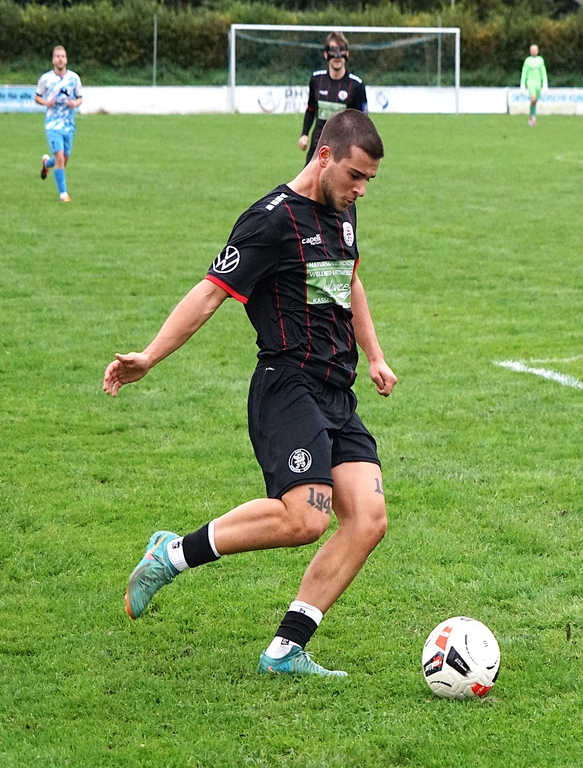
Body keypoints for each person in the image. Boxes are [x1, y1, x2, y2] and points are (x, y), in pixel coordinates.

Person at [103, 109, 396, 678]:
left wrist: (376, 355)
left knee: (368, 519)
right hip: (287, 384)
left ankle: (285, 651)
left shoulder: (344, 211)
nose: (362, 189)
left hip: (337, 390)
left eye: (369, 180)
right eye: (356, 175)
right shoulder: (270, 221)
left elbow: (350, 279)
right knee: (306, 518)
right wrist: (149, 356)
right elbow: (209, 293)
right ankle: (172, 554)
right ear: (325, 156)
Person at [299, 32, 368, 166]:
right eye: (333, 50)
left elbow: (362, 120)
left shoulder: (356, 85)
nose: (337, 56)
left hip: (344, 148)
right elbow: (311, 109)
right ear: (326, 55)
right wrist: (304, 134)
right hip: (318, 145)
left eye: (341, 50)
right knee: (309, 179)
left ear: (347, 54)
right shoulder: (316, 80)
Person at [34, 46, 82, 203]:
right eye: (57, 56)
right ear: (53, 60)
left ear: (66, 59)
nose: (60, 59)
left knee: (64, 160)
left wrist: (74, 104)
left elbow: (80, 98)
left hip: (68, 124)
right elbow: (37, 97)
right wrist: (47, 102)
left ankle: (47, 163)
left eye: (62, 56)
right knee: (60, 157)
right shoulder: (46, 79)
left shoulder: (74, 78)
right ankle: (63, 194)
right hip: (53, 124)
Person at [520, 44, 548, 127]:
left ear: (538, 51)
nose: (534, 52)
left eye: (535, 50)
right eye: (532, 50)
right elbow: (524, 72)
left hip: (538, 83)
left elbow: (543, 72)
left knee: (535, 101)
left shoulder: (540, 60)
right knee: (533, 99)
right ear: (530, 51)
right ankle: (532, 117)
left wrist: (545, 83)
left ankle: (532, 116)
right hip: (530, 82)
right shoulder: (527, 61)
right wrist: (522, 84)